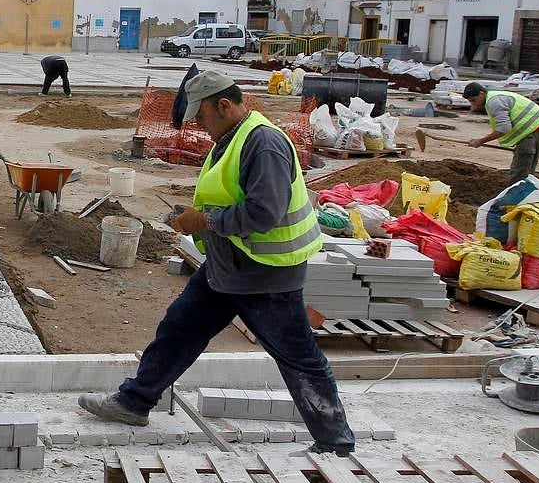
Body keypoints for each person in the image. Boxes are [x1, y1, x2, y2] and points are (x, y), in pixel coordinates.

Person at [77, 71, 356, 456]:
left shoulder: (264, 143)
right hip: (228, 266)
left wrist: (203, 221)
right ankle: (133, 402)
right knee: (179, 329)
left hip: (266, 275)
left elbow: (265, 213)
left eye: (202, 116)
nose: (199, 125)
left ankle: (335, 443)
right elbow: (230, 195)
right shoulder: (230, 138)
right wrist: (195, 216)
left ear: (224, 105)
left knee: (298, 358)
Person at [463, 82, 539, 185]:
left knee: (522, 164)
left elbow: (504, 128)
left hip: (532, 126)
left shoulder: (493, 102)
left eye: (473, 100)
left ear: (481, 94)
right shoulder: (494, 97)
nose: (473, 104)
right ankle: (523, 188)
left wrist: (481, 141)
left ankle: (515, 193)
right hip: (537, 123)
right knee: (526, 164)